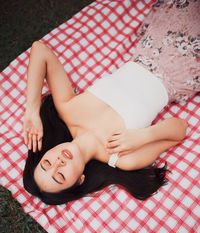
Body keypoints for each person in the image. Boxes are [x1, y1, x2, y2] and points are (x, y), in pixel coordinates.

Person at [23, 0, 199, 205]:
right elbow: (180, 129)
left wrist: (32, 111)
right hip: (183, 72)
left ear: (46, 152)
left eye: (47, 163)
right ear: (80, 180)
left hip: (153, 45)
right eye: (60, 176)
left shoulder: (67, 109)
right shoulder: (123, 158)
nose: (58, 163)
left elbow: (40, 50)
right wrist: (142, 136)